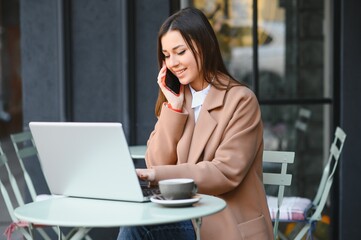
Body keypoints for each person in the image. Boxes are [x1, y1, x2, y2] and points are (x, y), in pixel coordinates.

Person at [117, 7, 273, 240]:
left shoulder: (240, 100)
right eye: (167, 55)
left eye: (180, 52)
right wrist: (174, 109)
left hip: (226, 225)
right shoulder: (178, 100)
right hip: (186, 219)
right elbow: (156, 162)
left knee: (138, 228)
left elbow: (225, 172)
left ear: (204, 46)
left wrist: (156, 175)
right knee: (135, 224)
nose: (173, 63)